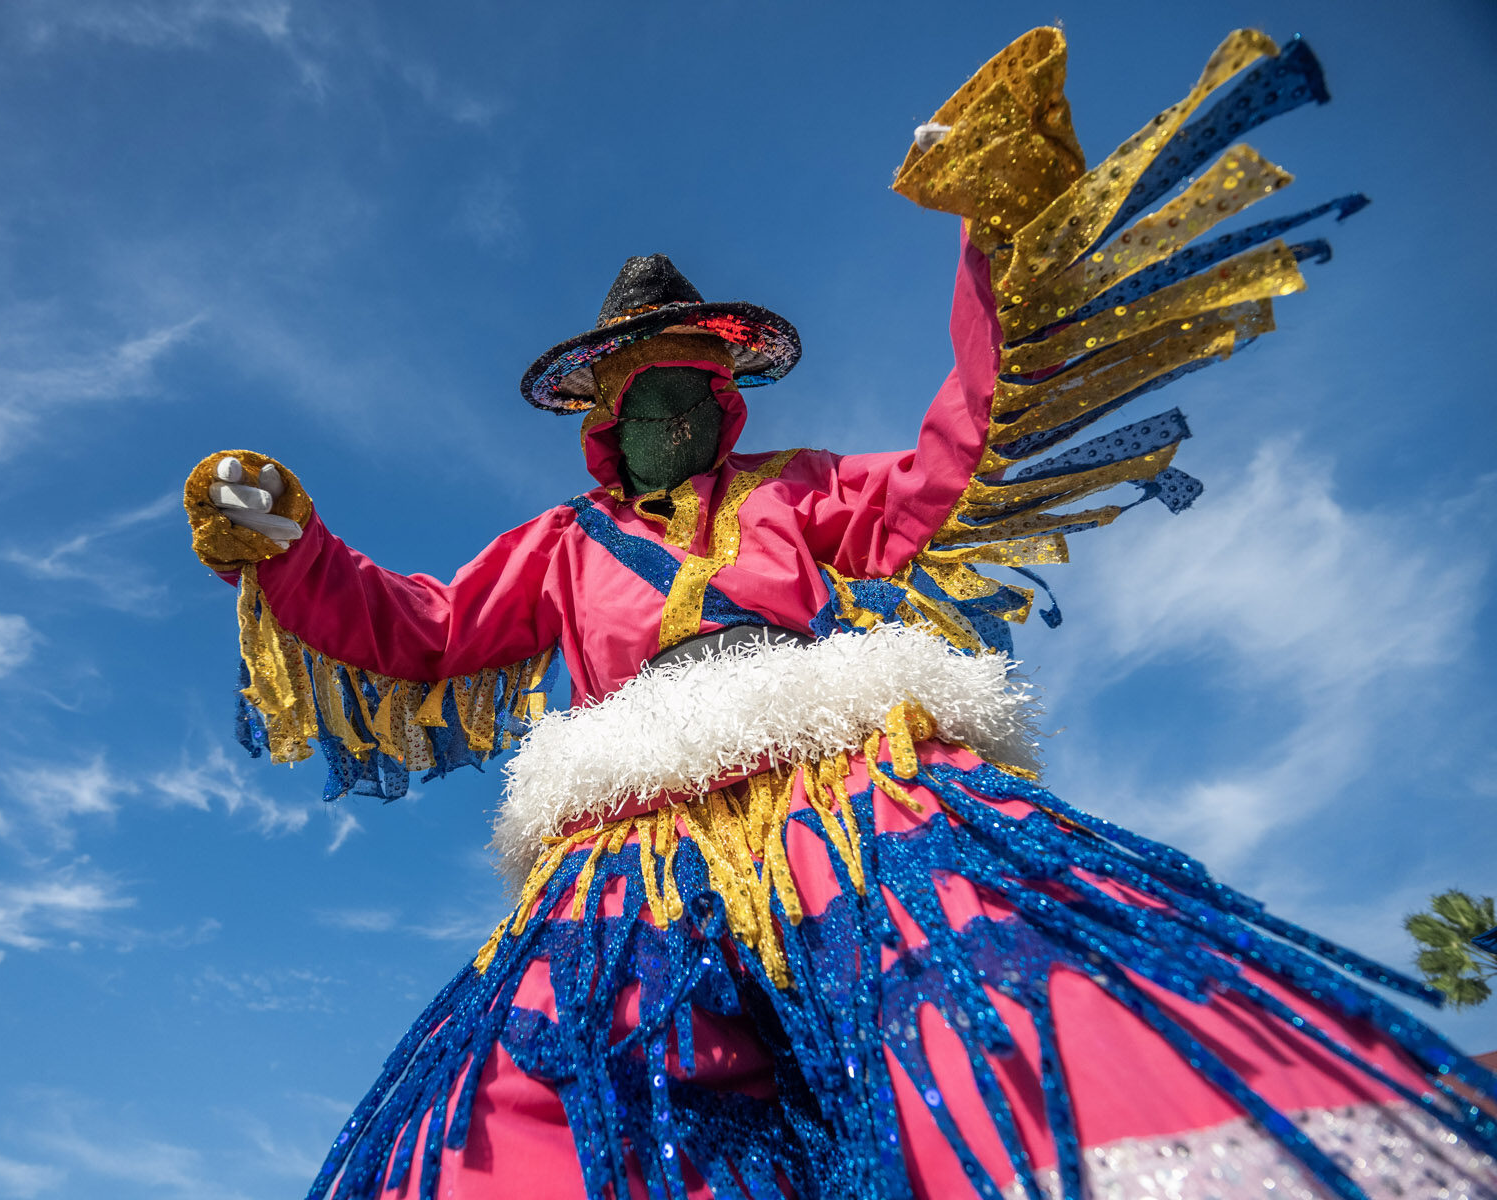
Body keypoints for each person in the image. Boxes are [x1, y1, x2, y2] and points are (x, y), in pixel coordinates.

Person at [183, 28, 1497, 1200]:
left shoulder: (797, 490)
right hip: (627, 844)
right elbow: (420, 632)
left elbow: (948, 474)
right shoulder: (555, 546)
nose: (672, 409)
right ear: (603, 419)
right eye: (646, 391)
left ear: (726, 399)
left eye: (693, 385)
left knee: (988, 984)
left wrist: (997, 246)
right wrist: (292, 547)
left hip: (849, 781)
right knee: (565, 1074)